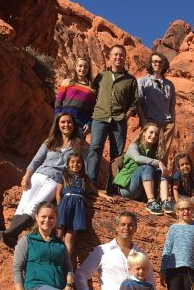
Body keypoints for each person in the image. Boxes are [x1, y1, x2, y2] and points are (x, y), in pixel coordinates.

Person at [0, 113, 84, 247]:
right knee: (22, 206)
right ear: (58, 125)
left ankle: (8, 234)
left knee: (34, 207)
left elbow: (80, 165)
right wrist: (26, 176)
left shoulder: (78, 145)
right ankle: (11, 238)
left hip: (55, 180)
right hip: (38, 175)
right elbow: (36, 160)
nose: (66, 125)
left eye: (69, 122)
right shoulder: (50, 141)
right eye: (63, 122)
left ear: (74, 124)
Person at [87, 45, 140, 191]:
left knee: (116, 155)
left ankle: (112, 188)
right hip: (100, 117)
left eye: (121, 55)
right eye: (115, 55)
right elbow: (92, 95)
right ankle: (90, 183)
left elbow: (134, 102)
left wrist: (126, 115)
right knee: (95, 149)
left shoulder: (130, 80)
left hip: (119, 120)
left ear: (125, 58)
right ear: (110, 57)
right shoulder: (101, 76)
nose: (118, 57)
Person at [56, 154, 111, 260]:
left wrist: (106, 196)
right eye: (72, 162)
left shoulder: (84, 178)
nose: (75, 164)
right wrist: (59, 206)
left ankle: (65, 262)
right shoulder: (64, 176)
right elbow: (58, 192)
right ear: (68, 164)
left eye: (78, 162)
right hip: (65, 204)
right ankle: (53, 258)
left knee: (70, 236)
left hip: (78, 207)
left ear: (82, 164)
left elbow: (95, 191)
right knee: (59, 233)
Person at [112, 123, 172, 215]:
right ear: (144, 132)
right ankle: (151, 202)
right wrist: (158, 162)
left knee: (160, 171)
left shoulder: (154, 152)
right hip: (127, 188)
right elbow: (137, 158)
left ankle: (165, 202)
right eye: (151, 132)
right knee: (146, 168)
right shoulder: (133, 146)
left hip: (142, 192)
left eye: (156, 134)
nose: (153, 136)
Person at [137, 52, 176, 159]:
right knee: (146, 153)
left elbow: (172, 106)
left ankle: (160, 175)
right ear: (150, 63)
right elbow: (138, 103)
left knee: (162, 156)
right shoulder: (142, 82)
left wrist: (172, 123)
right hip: (150, 122)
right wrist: (143, 120)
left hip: (166, 125)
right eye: (155, 61)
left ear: (164, 64)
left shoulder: (169, 85)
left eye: (160, 62)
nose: (157, 64)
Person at [54, 57, 96, 137]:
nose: (82, 69)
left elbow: (92, 111)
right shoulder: (67, 82)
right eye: (80, 66)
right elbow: (58, 102)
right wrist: (58, 119)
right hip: (64, 123)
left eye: (85, 67)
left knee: (76, 149)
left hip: (80, 126)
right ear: (75, 67)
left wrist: (89, 123)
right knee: (56, 147)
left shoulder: (92, 89)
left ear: (88, 69)